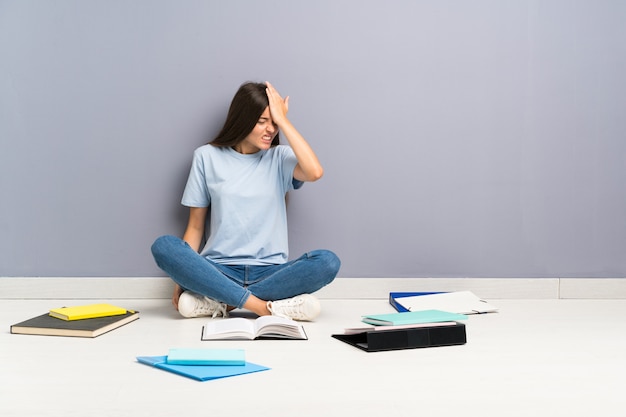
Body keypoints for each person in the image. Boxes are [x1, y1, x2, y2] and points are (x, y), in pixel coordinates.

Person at [151, 81, 340, 321]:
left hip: (271, 273)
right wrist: (182, 278)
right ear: (242, 119)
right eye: (262, 121)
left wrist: (284, 120)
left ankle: (223, 302)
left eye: (274, 123)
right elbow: (196, 226)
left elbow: (315, 172)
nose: (270, 130)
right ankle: (266, 307)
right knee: (164, 246)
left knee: (328, 262)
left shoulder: (280, 158)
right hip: (218, 270)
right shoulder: (206, 157)